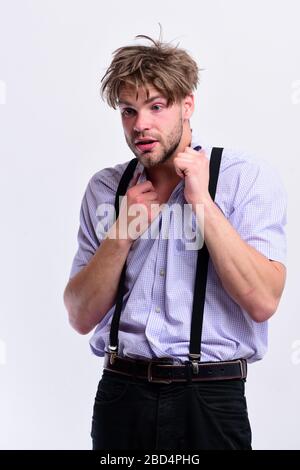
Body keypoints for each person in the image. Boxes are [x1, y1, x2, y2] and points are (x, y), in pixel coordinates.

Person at [63, 32, 287, 450]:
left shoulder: (243, 178)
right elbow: (79, 315)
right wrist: (121, 235)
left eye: (156, 107)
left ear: (188, 105)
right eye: (129, 111)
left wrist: (202, 202)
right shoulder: (106, 189)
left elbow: (263, 300)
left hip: (210, 396)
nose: (140, 125)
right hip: (121, 394)